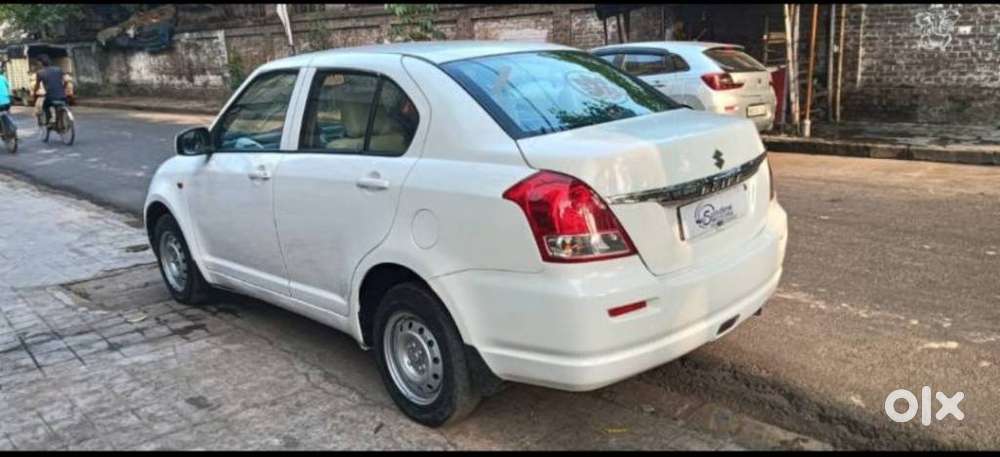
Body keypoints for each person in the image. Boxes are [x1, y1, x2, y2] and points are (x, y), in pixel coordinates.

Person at [32, 54, 68, 127]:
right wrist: (63, 88)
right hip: (63, 96)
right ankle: (60, 121)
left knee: (45, 105)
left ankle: (49, 120)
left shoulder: (40, 73)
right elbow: (66, 81)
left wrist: (34, 92)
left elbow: (37, 86)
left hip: (51, 97)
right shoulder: (58, 69)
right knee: (60, 105)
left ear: (40, 63)